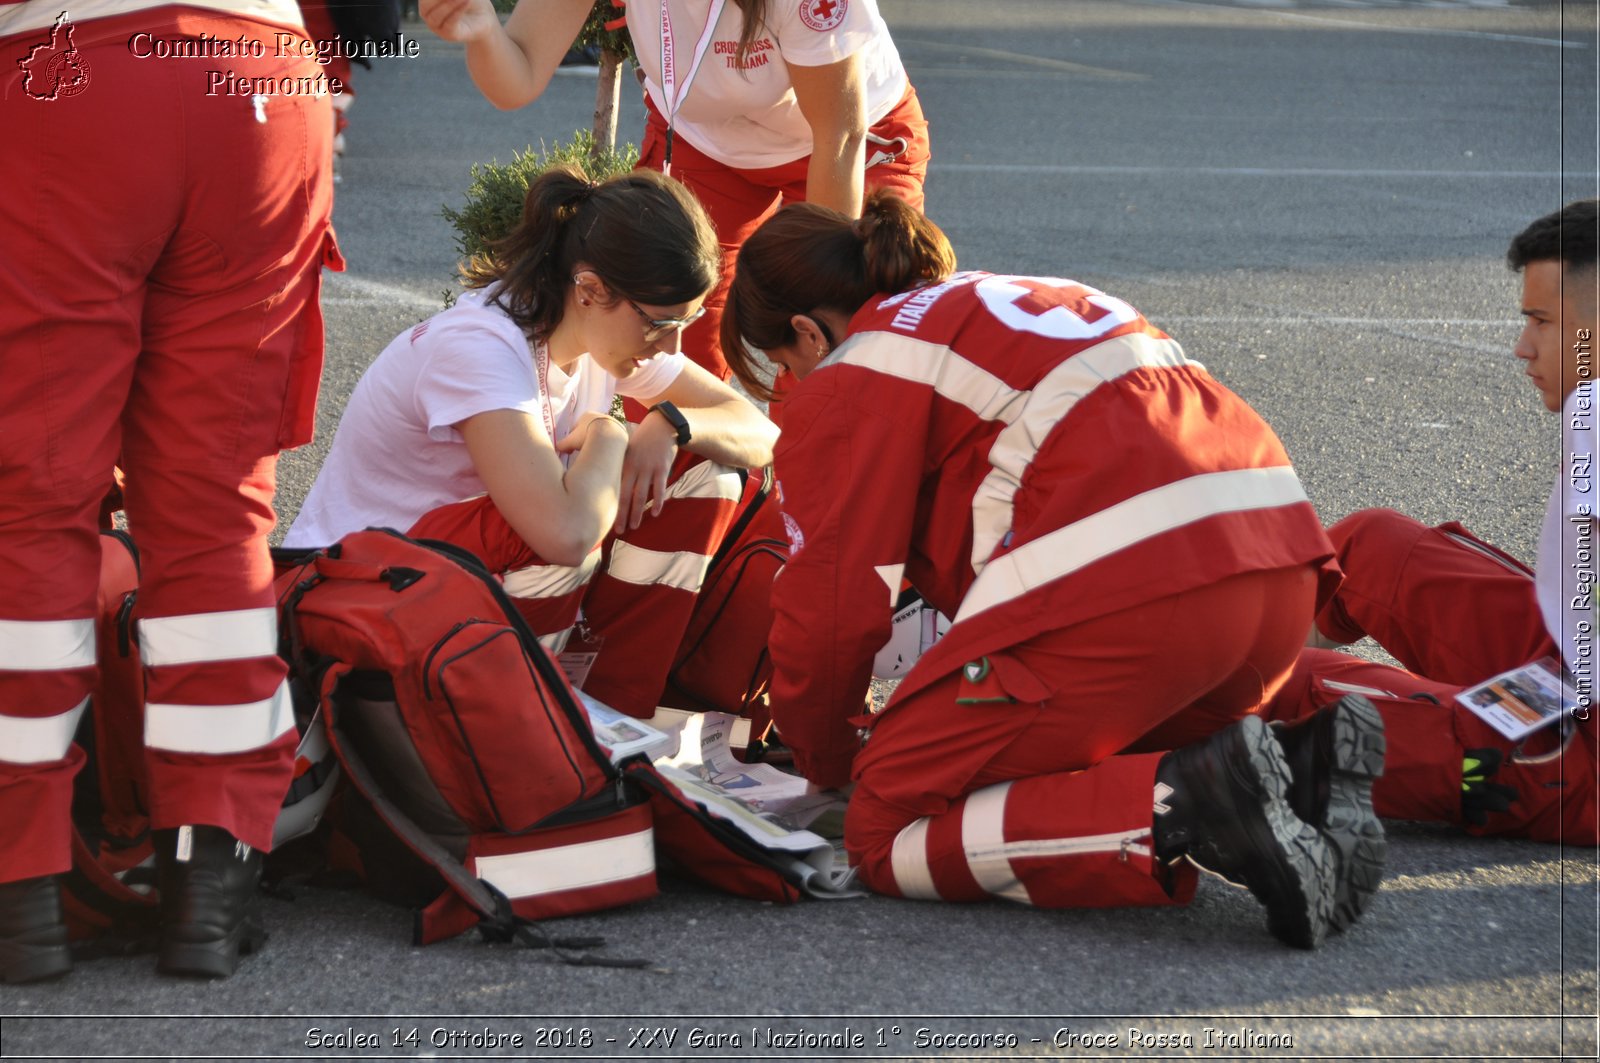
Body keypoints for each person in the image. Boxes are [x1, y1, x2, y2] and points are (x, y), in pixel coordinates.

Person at [717, 193, 1388, 949]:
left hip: (1139, 590)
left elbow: (831, 612)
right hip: (1276, 574)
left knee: (884, 821)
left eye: (781, 367)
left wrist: (830, 762)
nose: (788, 388)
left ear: (807, 332)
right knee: (1070, 756)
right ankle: (1289, 776)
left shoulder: (851, 369)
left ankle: (1185, 802)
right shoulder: (989, 298)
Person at [0, 0, 339, 982]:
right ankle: (209, 881)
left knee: (32, 505)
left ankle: (20, 889)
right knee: (215, 509)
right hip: (265, 74)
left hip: (70, 67)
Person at [284, 167, 778, 719]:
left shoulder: (594, 329)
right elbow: (564, 534)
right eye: (661, 322)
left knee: (702, 470)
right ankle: (515, 729)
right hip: (349, 595)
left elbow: (759, 432)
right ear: (591, 289)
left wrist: (669, 423)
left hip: (438, 583)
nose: (672, 344)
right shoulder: (481, 349)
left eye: (686, 319)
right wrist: (610, 432)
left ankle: (613, 715)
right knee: (554, 525)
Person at [1262, 200, 1598, 846]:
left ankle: (1167, 693)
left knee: (1291, 695)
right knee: (1370, 548)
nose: (1521, 346)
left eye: (1542, 322)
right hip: (1571, 664)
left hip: (1582, 751)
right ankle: (1231, 644)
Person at [418, 0, 929, 382]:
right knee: (662, 359)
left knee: (832, 354)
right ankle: (690, 512)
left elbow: (839, 134)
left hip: (845, 144)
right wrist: (483, 30)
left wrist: (818, 303)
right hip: (704, 140)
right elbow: (519, 76)